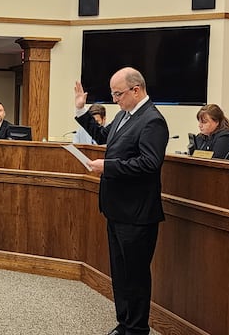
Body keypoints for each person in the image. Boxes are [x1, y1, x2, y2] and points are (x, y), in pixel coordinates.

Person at [74, 67, 169, 335]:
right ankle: (124, 323)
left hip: (137, 213)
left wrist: (108, 167)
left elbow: (150, 163)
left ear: (136, 90)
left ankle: (137, 329)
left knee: (135, 276)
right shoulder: (124, 116)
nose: (114, 99)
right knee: (121, 274)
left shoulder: (152, 121)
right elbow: (105, 138)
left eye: (118, 94)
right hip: (116, 209)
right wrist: (81, 111)